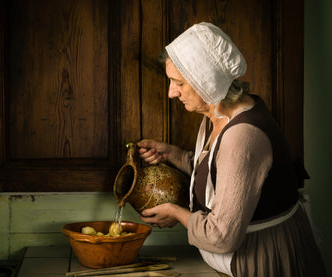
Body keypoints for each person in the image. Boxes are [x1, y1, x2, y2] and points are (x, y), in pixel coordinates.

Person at [137, 22, 326, 277]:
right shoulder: (218, 115)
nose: (171, 92)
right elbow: (223, 173)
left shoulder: (242, 136)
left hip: (265, 262)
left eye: (178, 83)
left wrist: (176, 213)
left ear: (206, 81)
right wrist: (174, 155)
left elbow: (222, 237)